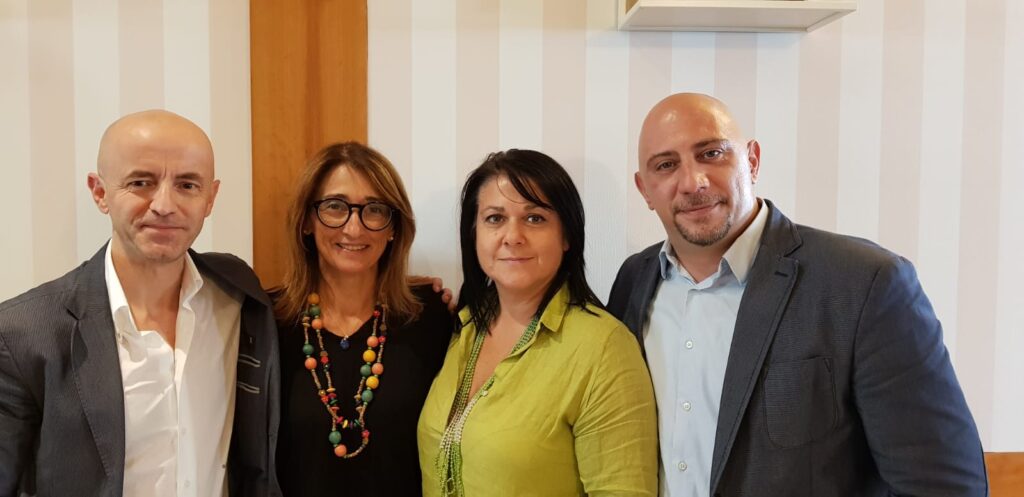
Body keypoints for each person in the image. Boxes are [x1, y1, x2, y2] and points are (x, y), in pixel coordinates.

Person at [607, 93, 988, 496]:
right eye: (666, 165)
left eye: (712, 154)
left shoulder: (864, 283)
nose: (693, 182)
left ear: (752, 160)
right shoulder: (633, 282)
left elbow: (944, 485)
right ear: (645, 189)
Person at [0, 110, 280, 496]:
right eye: (141, 182)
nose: (164, 204)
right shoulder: (25, 332)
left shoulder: (239, 299)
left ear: (210, 198)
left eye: (187, 185)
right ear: (100, 192)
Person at [418, 149, 658, 497]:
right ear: (474, 234)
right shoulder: (463, 328)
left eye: (534, 218)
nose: (512, 236)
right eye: (494, 218)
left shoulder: (604, 348)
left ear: (567, 236)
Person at [273, 142, 453, 496]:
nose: (354, 229)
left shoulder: (430, 316)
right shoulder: (268, 321)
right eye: (335, 206)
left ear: (393, 227)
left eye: (374, 210)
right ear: (307, 220)